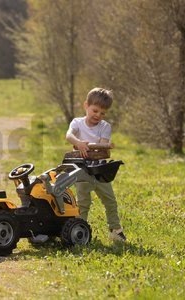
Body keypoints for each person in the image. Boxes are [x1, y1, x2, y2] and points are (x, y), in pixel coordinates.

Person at [65, 87, 126, 242]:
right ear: (86, 106)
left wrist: (90, 147)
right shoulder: (77, 123)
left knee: (110, 200)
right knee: (83, 202)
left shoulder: (105, 127)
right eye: (95, 111)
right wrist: (78, 143)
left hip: (100, 170)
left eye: (102, 113)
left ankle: (115, 230)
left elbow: (103, 146)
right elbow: (69, 135)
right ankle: (79, 231)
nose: (98, 115)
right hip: (82, 170)